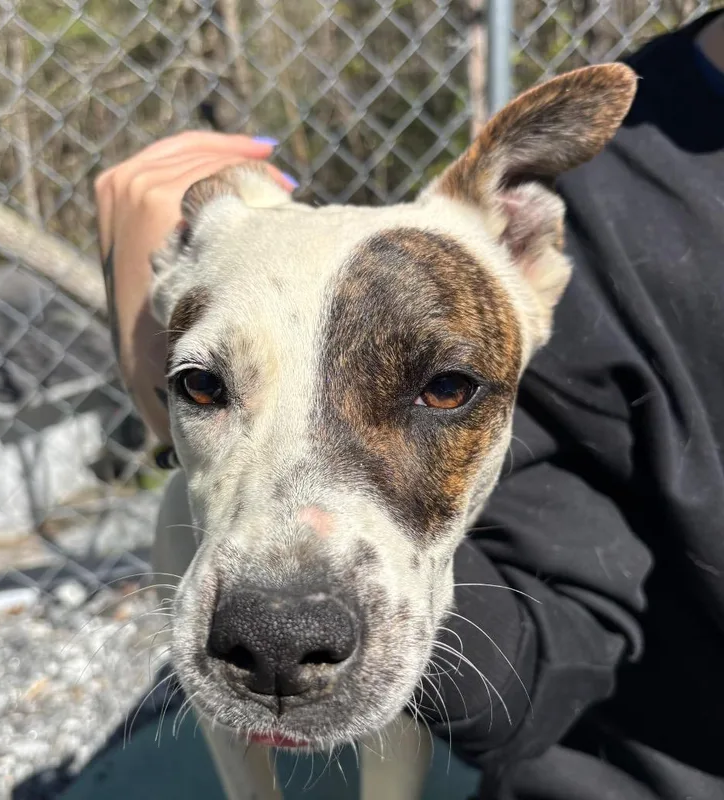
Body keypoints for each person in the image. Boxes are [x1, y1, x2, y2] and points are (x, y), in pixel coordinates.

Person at [94, 9, 724, 799]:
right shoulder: (622, 186)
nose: (282, 625)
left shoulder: (560, 250)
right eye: (207, 386)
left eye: (443, 389)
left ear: (528, 257)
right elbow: (545, 645)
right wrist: (155, 365)